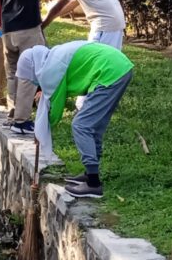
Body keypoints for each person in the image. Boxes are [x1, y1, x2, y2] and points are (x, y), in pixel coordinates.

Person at [16, 41, 133, 199]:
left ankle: (93, 184)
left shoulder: (50, 71)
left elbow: (55, 108)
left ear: (32, 69)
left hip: (110, 72)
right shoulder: (52, 58)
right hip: (118, 67)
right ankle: (90, 173)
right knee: (94, 126)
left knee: (81, 125)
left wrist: (41, 130)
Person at [0, 0, 60, 134]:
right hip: (27, 28)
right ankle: (21, 121)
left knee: (13, 73)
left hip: (7, 30)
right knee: (29, 73)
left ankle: (12, 113)